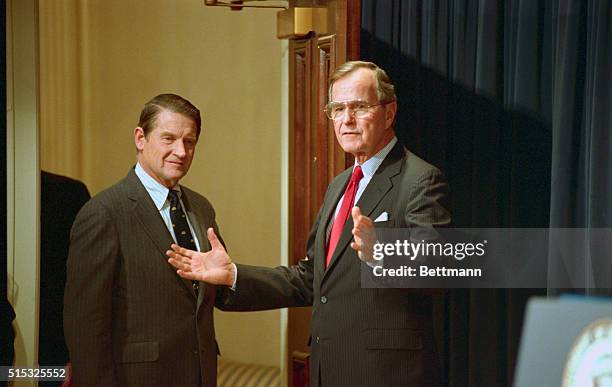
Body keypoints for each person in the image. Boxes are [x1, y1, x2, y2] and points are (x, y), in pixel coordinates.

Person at [168, 62, 451, 386]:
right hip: (328, 371)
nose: (346, 120)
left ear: (389, 113)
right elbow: (309, 280)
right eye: (338, 108)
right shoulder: (340, 185)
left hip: (386, 375)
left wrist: (383, 254)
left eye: (359, 107)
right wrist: (233, 275)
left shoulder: (420, 179)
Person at [64, 94, 224, 387]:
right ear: (140, 138)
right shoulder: (103, 213)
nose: (181, 151)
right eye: (169, 138)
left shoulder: (201, 208)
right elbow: (85, 328)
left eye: (189, 142)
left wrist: (304, 285)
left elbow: (219, 286)